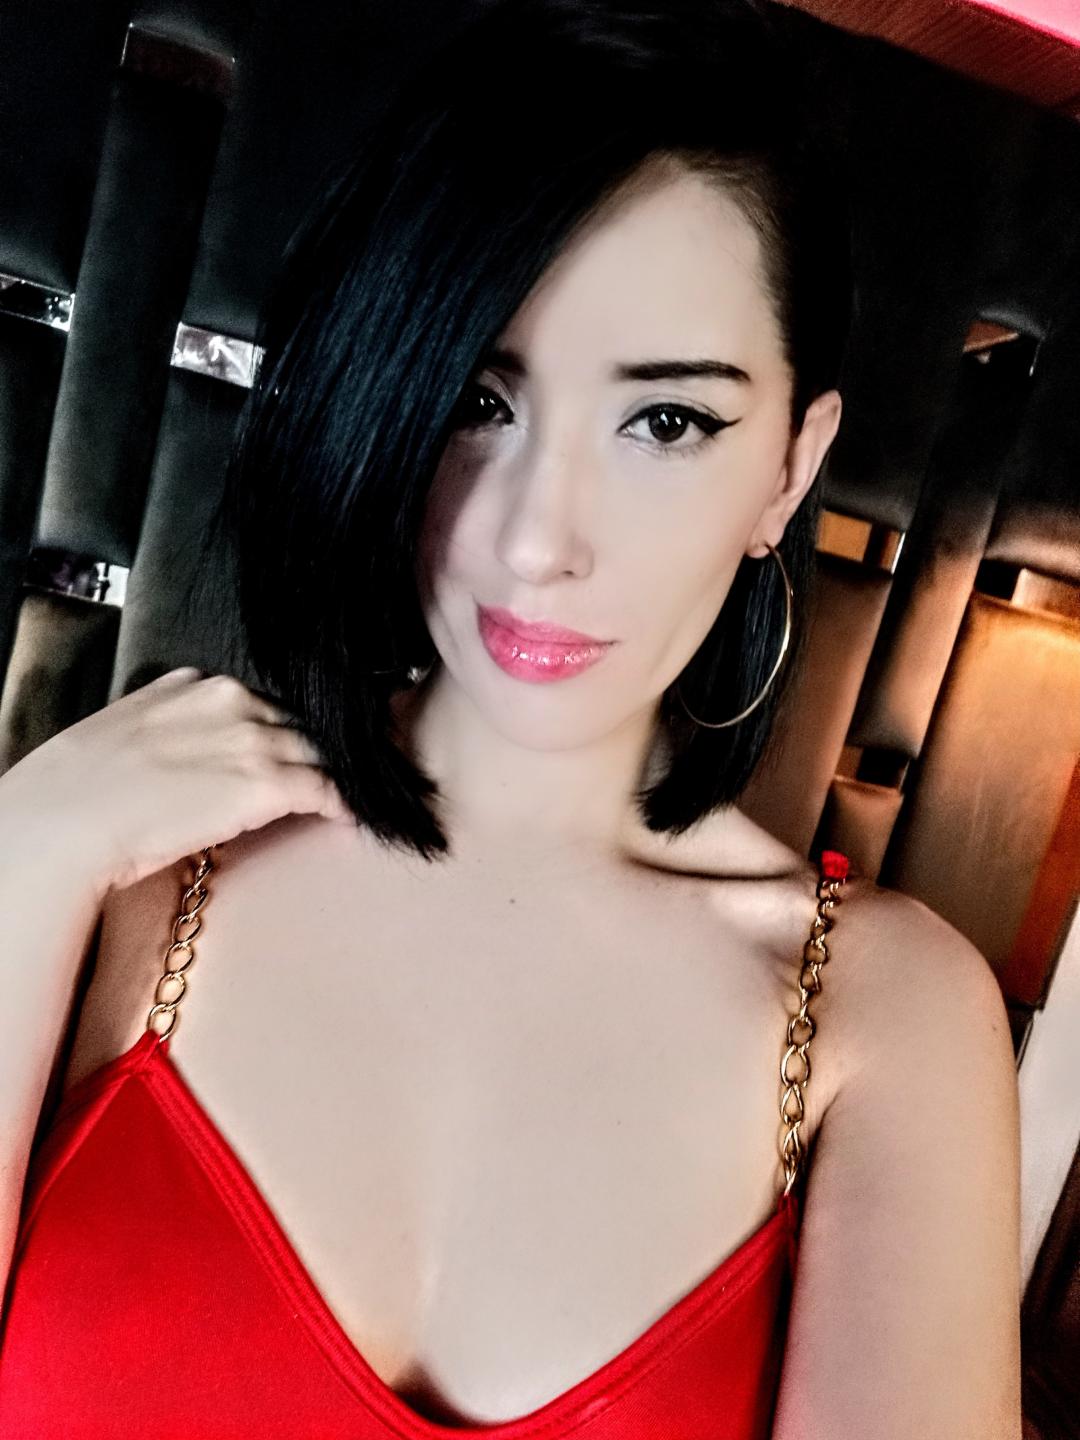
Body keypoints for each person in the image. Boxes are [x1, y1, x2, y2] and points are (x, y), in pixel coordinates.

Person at [0, 0, 1022, 1435]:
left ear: (791, 473)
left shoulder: (881, 1013)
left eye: (667, 421)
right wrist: (28, 847)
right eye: (480, 401)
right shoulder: (128, 862)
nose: (544, 539)